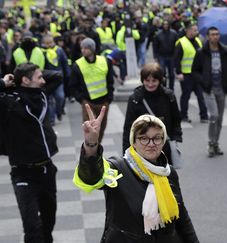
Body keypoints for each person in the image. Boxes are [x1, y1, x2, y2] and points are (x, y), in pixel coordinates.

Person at [73, 107, 199, 242]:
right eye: (143, 138)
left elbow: (182, 218)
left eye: (157, 138)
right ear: (134, 142)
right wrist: (91, 144)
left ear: (163, 141)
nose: (151, 144)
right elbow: (91, 177)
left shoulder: (168, 172)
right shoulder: (118, 168)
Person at [0, 63, 62, 243]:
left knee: (48, 223)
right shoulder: (8, 102)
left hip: (47, 170)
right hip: (23, 173)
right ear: (26, 81)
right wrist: (5, 82)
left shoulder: (41, 93)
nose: (43, 80)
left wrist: (27, 74)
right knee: (32, 228)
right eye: (39, 77)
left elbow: (57, 76)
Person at [122, 62, 182, 164]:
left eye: (154, 81)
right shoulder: (135, 99)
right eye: (147, 80)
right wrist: (126, 152)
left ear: (160, 80)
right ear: (142, 80)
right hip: (142, 146)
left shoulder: (169, 97)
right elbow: (129, 127)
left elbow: (176, 119)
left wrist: (176, 137)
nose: (150, 84)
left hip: (163, 145)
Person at [192, 26, 227, 157]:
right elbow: (195, 70)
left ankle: (216, 143)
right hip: (209, 89)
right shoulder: (201, 52)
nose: (215, 36)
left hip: (221, 88)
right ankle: (210, 142)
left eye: (217, 34)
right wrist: (203, 81)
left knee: (219, 119)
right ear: (208, 36)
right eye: (212, 34)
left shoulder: (225, 51)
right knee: (214, 115)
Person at [69, 38, 114, 142]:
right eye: (82, 48)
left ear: (92, 49)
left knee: (101, 128)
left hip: (104, 102)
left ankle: (97, 147)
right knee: (90, 129)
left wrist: (109, 98)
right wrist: (81, 100)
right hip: (88, 103)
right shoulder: (77, 65)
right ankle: (91, 149)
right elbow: (72, 85)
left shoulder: (105, 61)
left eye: (86, 48)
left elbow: (110, 80)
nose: (83, 50)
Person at [174, 23, 208, 123]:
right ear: (187, 31)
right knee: (186, 96)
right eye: (194, 30)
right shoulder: (181, 42)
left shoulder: (198, 41)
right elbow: (176, 59)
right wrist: (178, 72)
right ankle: (183, 115)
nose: (196, 32)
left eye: (196, 30)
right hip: (186, 74)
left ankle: (204, 116)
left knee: (201, 95)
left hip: (197, 74)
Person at [153, 20, 178, 91]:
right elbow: (155, 46)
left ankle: (171, 88)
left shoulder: (174, 33)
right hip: (162, 56)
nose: (165, 26)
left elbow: (177, 45)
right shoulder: (158, 34)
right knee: (162, 73)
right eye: (164, 24)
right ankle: (163, 87)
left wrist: (176, 56)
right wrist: (155, 56)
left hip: (171, 56)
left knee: (171, 74)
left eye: (167, 24)